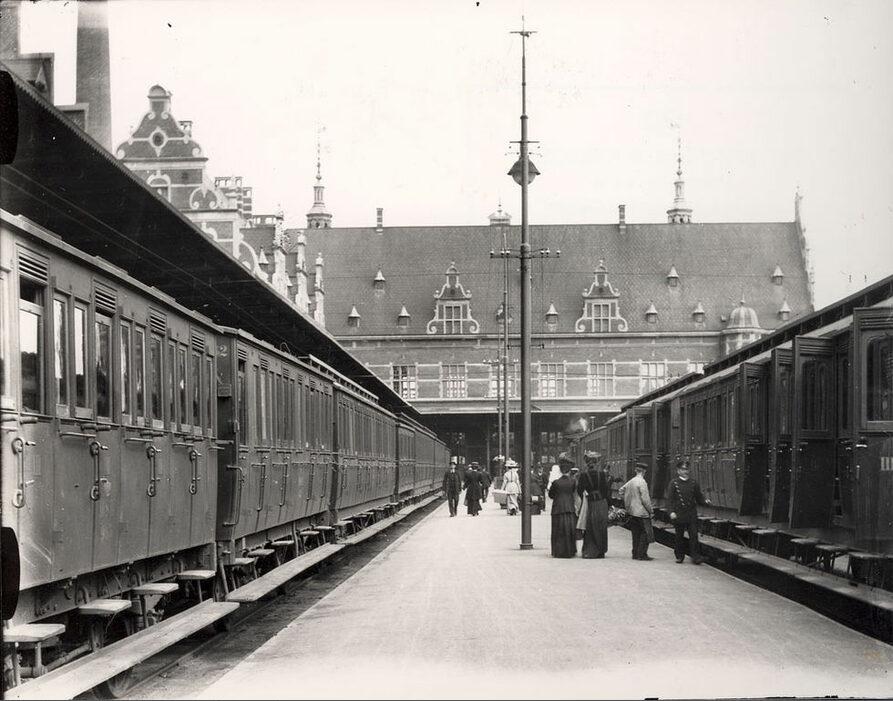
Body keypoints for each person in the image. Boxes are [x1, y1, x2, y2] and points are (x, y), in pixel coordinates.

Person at [668, 459, 711, 564]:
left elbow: (699, 497)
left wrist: (705, 501)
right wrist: (671, 512)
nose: (685, 471)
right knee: (679, 536)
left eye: (686, 469)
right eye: (683, 469)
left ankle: (695, 557)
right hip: (679, 513)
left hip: (691, 513)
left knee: (694, 536)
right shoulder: (674, 483)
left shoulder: (693, 483)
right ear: (678, 471)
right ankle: (679, 556)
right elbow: (670, 500)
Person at [575, 450, 611, 559]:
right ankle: (601, 551)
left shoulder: (583, 475)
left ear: (587, 463)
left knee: (590, 527)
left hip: (591, 503)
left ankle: (590, 551)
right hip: (602, 503)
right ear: (596, 462)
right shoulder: (602, 474)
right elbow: (606, 490)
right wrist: (608, 503)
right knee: (601, 526)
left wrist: (585, 498)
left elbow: (579, 490)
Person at [620, 463, 654, 560]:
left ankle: (635, 554)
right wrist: (651, 511)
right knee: (645, 533)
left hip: (632, 512)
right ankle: (641, 554)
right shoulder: (642, 482)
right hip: (642, 513)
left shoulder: (631, 481)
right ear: (644, 471)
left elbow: (621, 490)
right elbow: (645, 500)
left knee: (635, 534)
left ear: (636, 470)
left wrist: (628, 501)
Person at [548, 453, 577, 558]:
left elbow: (551, 495)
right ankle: (570, 551)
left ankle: (558, 551)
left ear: (560, 470)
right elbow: (573, 492)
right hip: (569, 508)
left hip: (557, 509)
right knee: (569, 530)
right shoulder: (573, 482)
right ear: (569, 470)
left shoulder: (555, 483)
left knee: (558, 530)